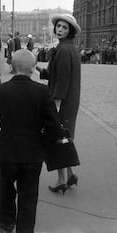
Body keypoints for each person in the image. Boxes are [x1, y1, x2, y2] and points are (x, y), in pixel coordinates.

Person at [0, 50, 62, 233]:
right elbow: (54, 125)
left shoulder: (0, 90)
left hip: (7, 150)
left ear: (11, 66)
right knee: (29, 193)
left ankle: (6, 221)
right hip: (33, 152)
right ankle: (25, 229)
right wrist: (45, 143)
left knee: (6, 189)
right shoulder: (42, 91)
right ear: (33, 68)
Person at [36, 13, 81, 193]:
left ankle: (62, 179)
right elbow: (57, 74)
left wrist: (55, 104)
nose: (60, 30)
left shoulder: (63, 50)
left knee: (57, 138)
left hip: (61, 101)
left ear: (70, 31)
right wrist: (39, 69)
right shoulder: (68, 48)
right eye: (59, 26)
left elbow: (62, 81)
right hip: (69, 100)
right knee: (64, 137)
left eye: (64, 28)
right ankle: (69, 175)